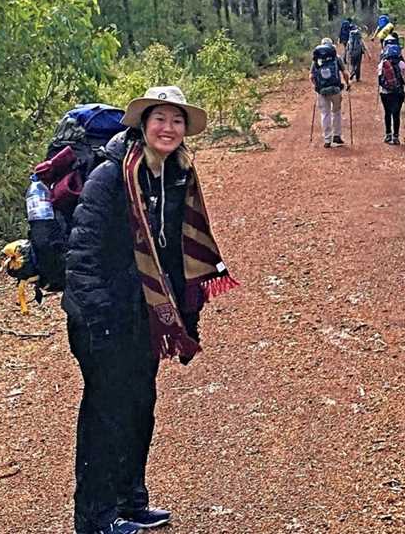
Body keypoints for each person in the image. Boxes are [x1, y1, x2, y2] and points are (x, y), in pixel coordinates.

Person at [62, 86, 237, 534]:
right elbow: (82, 255)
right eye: (159, 118)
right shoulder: (110, 177)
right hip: (103, 317)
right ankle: (95, 518)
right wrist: (98, 319)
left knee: (140, 405)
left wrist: (186, 320)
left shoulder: (178, 177)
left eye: (177, 121)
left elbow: (179, 256)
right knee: (106, 411)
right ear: (142, 124)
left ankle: (131, 501)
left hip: (147, 316)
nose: (169, 128)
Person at [310, 38, 350, 148]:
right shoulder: (336, 58)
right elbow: (345, 73)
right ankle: (337, 135)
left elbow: (311, 76)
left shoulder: (316, 60)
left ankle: (327, 139)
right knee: (336, 112)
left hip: (322, 91)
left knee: (325, 114)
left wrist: (316, 86)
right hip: (335, 89)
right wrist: (348, 84)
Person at [377, 43, 405, 145]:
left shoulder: (382, 64)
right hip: (398, 93)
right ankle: (396, 137)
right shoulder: (401, 64)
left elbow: (379, 80)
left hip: (385, 93)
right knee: (396, 114)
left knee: (387, 113)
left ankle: (388, 135)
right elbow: (403, 77)